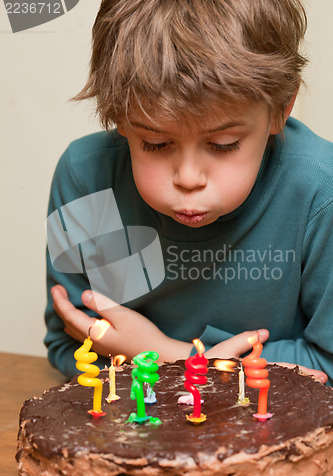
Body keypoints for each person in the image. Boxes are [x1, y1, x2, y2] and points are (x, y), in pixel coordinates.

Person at [45, 0, 333, 384]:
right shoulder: (87, 178)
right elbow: (69, 343)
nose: (188, 177)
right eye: (156, 143)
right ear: (120, 117)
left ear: (281, 108)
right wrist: (208, 368)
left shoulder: (320, 191)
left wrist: (171, 357)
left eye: (224, 143)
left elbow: (327, 363)